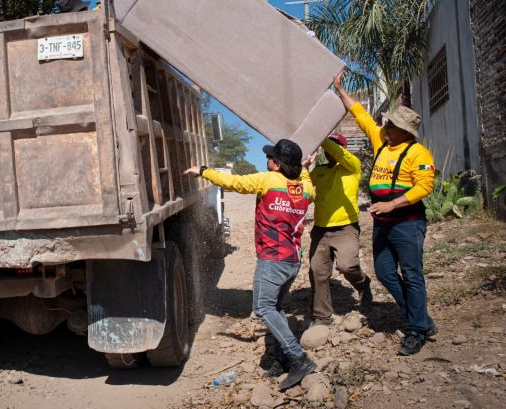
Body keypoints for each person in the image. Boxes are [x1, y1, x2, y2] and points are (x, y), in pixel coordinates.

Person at [184, 139, 317, 389]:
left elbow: (235, 183)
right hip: (293, 260)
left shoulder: (268, 180)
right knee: (276, 307)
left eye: (270, 157)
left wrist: (202, 171)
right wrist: (306, 167)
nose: (266, 161)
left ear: (276, 164)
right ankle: (282, 359)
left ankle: (298, 357)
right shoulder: (305, 188)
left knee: (264, 308)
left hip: (272, 258)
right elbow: (307, 182)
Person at [332, 71, 436, 355]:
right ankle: (422, 319)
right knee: (385, 272)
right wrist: (340, 90)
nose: (385, 125)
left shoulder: (419, 154)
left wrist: (391, 205)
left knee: (412, 274)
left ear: (405, 131)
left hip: (407, 223)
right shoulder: (381, 141)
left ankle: (415, 329)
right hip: (383, 225)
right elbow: (361, 114)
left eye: (391, 124)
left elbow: (425, 186)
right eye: (388, 122)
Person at [306, 133, 372, 327]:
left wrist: (320, 136)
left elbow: (337, 151)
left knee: (347, 266)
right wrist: (302, 169)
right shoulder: (318, 172)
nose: (329, 152)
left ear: (343, 150)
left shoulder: (352, 167)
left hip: (345, 227)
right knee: (317, 271)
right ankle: (322, 317)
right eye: (326, 149)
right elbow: (307, 193)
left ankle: (362, 284)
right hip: (320, 229)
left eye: (333, 148)